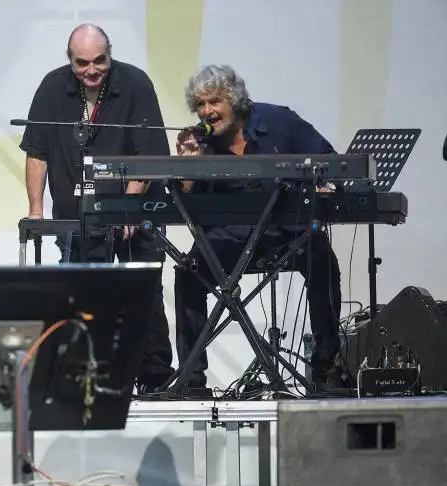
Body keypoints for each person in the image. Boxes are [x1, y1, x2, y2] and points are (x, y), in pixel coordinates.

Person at [19, 23, 175, 392]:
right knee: (81, 292)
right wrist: (36, 209)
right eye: (82, 63)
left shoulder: (135, 83)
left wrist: (130, 204)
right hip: (76, 218)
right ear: (69, 60)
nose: (91, 70)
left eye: (99, 61)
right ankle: (86, 376)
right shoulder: (52, 87)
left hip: (135, 209)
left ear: (110, 54)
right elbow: (36, 152)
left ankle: (153, 377)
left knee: (144, 291)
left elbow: (149, 152)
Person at [173, 64, 343, 392]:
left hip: (289, 233)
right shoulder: (197, 142)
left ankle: (327, 368)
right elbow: (185, 205)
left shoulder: (280, 121)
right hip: (229, 238)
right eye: (200, 105)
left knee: (321, 256)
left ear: (234, 101)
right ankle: (191, 377)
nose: (206, 112)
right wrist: (188, 170)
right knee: (188, 271)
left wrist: (325, 183)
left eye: (214, 102)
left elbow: (328, 159)